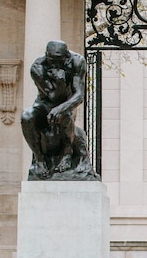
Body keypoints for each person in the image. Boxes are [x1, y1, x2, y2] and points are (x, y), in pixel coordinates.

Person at [20, 40, 99, 181]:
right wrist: (59, 81)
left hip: (67, 103)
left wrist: (62, 107)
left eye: (59, 60)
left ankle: (67, 154)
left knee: (65, 114)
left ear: (67, 56)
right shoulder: (37, 67)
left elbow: (79, 95)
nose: (55, 64)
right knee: (26, 116)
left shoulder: (77, 61)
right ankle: (39, 159)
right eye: (52, 60)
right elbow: (52, 96)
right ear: (46, 56)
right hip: (43, 105)